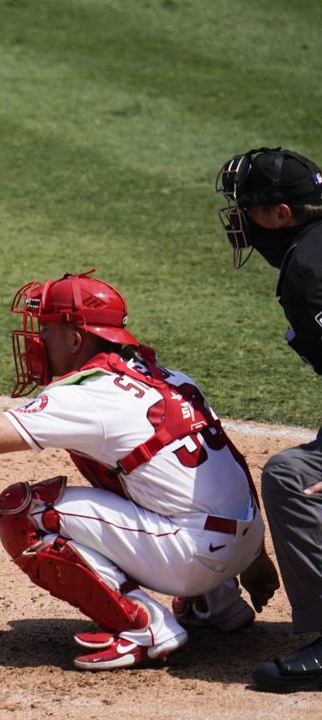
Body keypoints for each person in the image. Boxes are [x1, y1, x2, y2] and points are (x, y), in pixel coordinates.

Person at [0, 272, 265, 670]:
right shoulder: (169, 377)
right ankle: (217, 604)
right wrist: (256, 556)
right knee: (139, 475)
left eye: (46, 330)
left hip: (192, 558)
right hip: (240, 544)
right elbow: (231, 462)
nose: (37, 341)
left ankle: (145, 627)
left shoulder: (87, 397)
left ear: (75, 339)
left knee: (24, 511)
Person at [216, 147, 322, 691]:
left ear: (281, 214)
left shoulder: (310, 270)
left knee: (294, 478)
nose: (239, 222)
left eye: (248, 209)